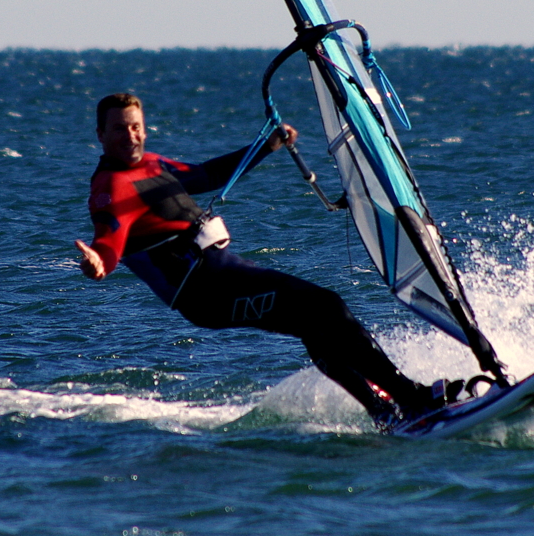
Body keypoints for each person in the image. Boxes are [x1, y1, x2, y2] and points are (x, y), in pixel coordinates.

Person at [74, 92, 463, 432]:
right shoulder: (111, 187)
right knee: (326, 307)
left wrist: (266, 146)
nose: (131, 136)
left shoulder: (151, 164)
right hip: (206, 294)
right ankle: (411, 399)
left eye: (136, 127)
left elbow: (206, 174)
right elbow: (109, 234)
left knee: (314, 325)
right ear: (100, 135)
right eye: (119, 129)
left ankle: (385, 412)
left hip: (225, 275)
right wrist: (100, 261)